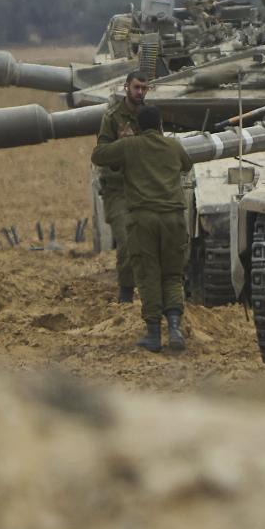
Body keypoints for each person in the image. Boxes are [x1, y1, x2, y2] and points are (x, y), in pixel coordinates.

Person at [90, 103, 194, 353]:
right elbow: (186, 165)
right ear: (160, 125)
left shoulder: (130, 146)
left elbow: (98, 156)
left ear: (139, 126)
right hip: (173, 218)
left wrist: (123, 141)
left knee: (149, 275)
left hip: (144, 219)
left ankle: (153, 334)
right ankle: (175, 328)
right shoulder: (173, 145)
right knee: (172, 275)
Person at [95, 71, 148, 303]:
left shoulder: (150, 116)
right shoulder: (113, 118)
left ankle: (152, 294)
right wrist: (123, 147)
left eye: (144, 88)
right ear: (126, 87)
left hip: (145, 188)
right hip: (118, 190)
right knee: (126, 242)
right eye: (136, 87)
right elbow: (100, 154)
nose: (140, 92)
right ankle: (126, 294)